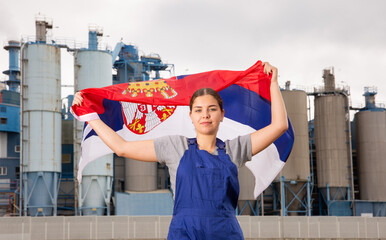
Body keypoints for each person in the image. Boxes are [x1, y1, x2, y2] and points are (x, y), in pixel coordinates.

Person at [72, 62, 288, 239]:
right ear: (191, 116)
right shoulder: (176, 146)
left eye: (212, 109)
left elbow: (279, 126)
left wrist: (274, 84)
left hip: (225, 234)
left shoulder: (235, 149)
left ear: (222, 114)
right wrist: (90, 117)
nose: (205, 115)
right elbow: (122, 148)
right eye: (198, 110)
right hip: (184, 234)